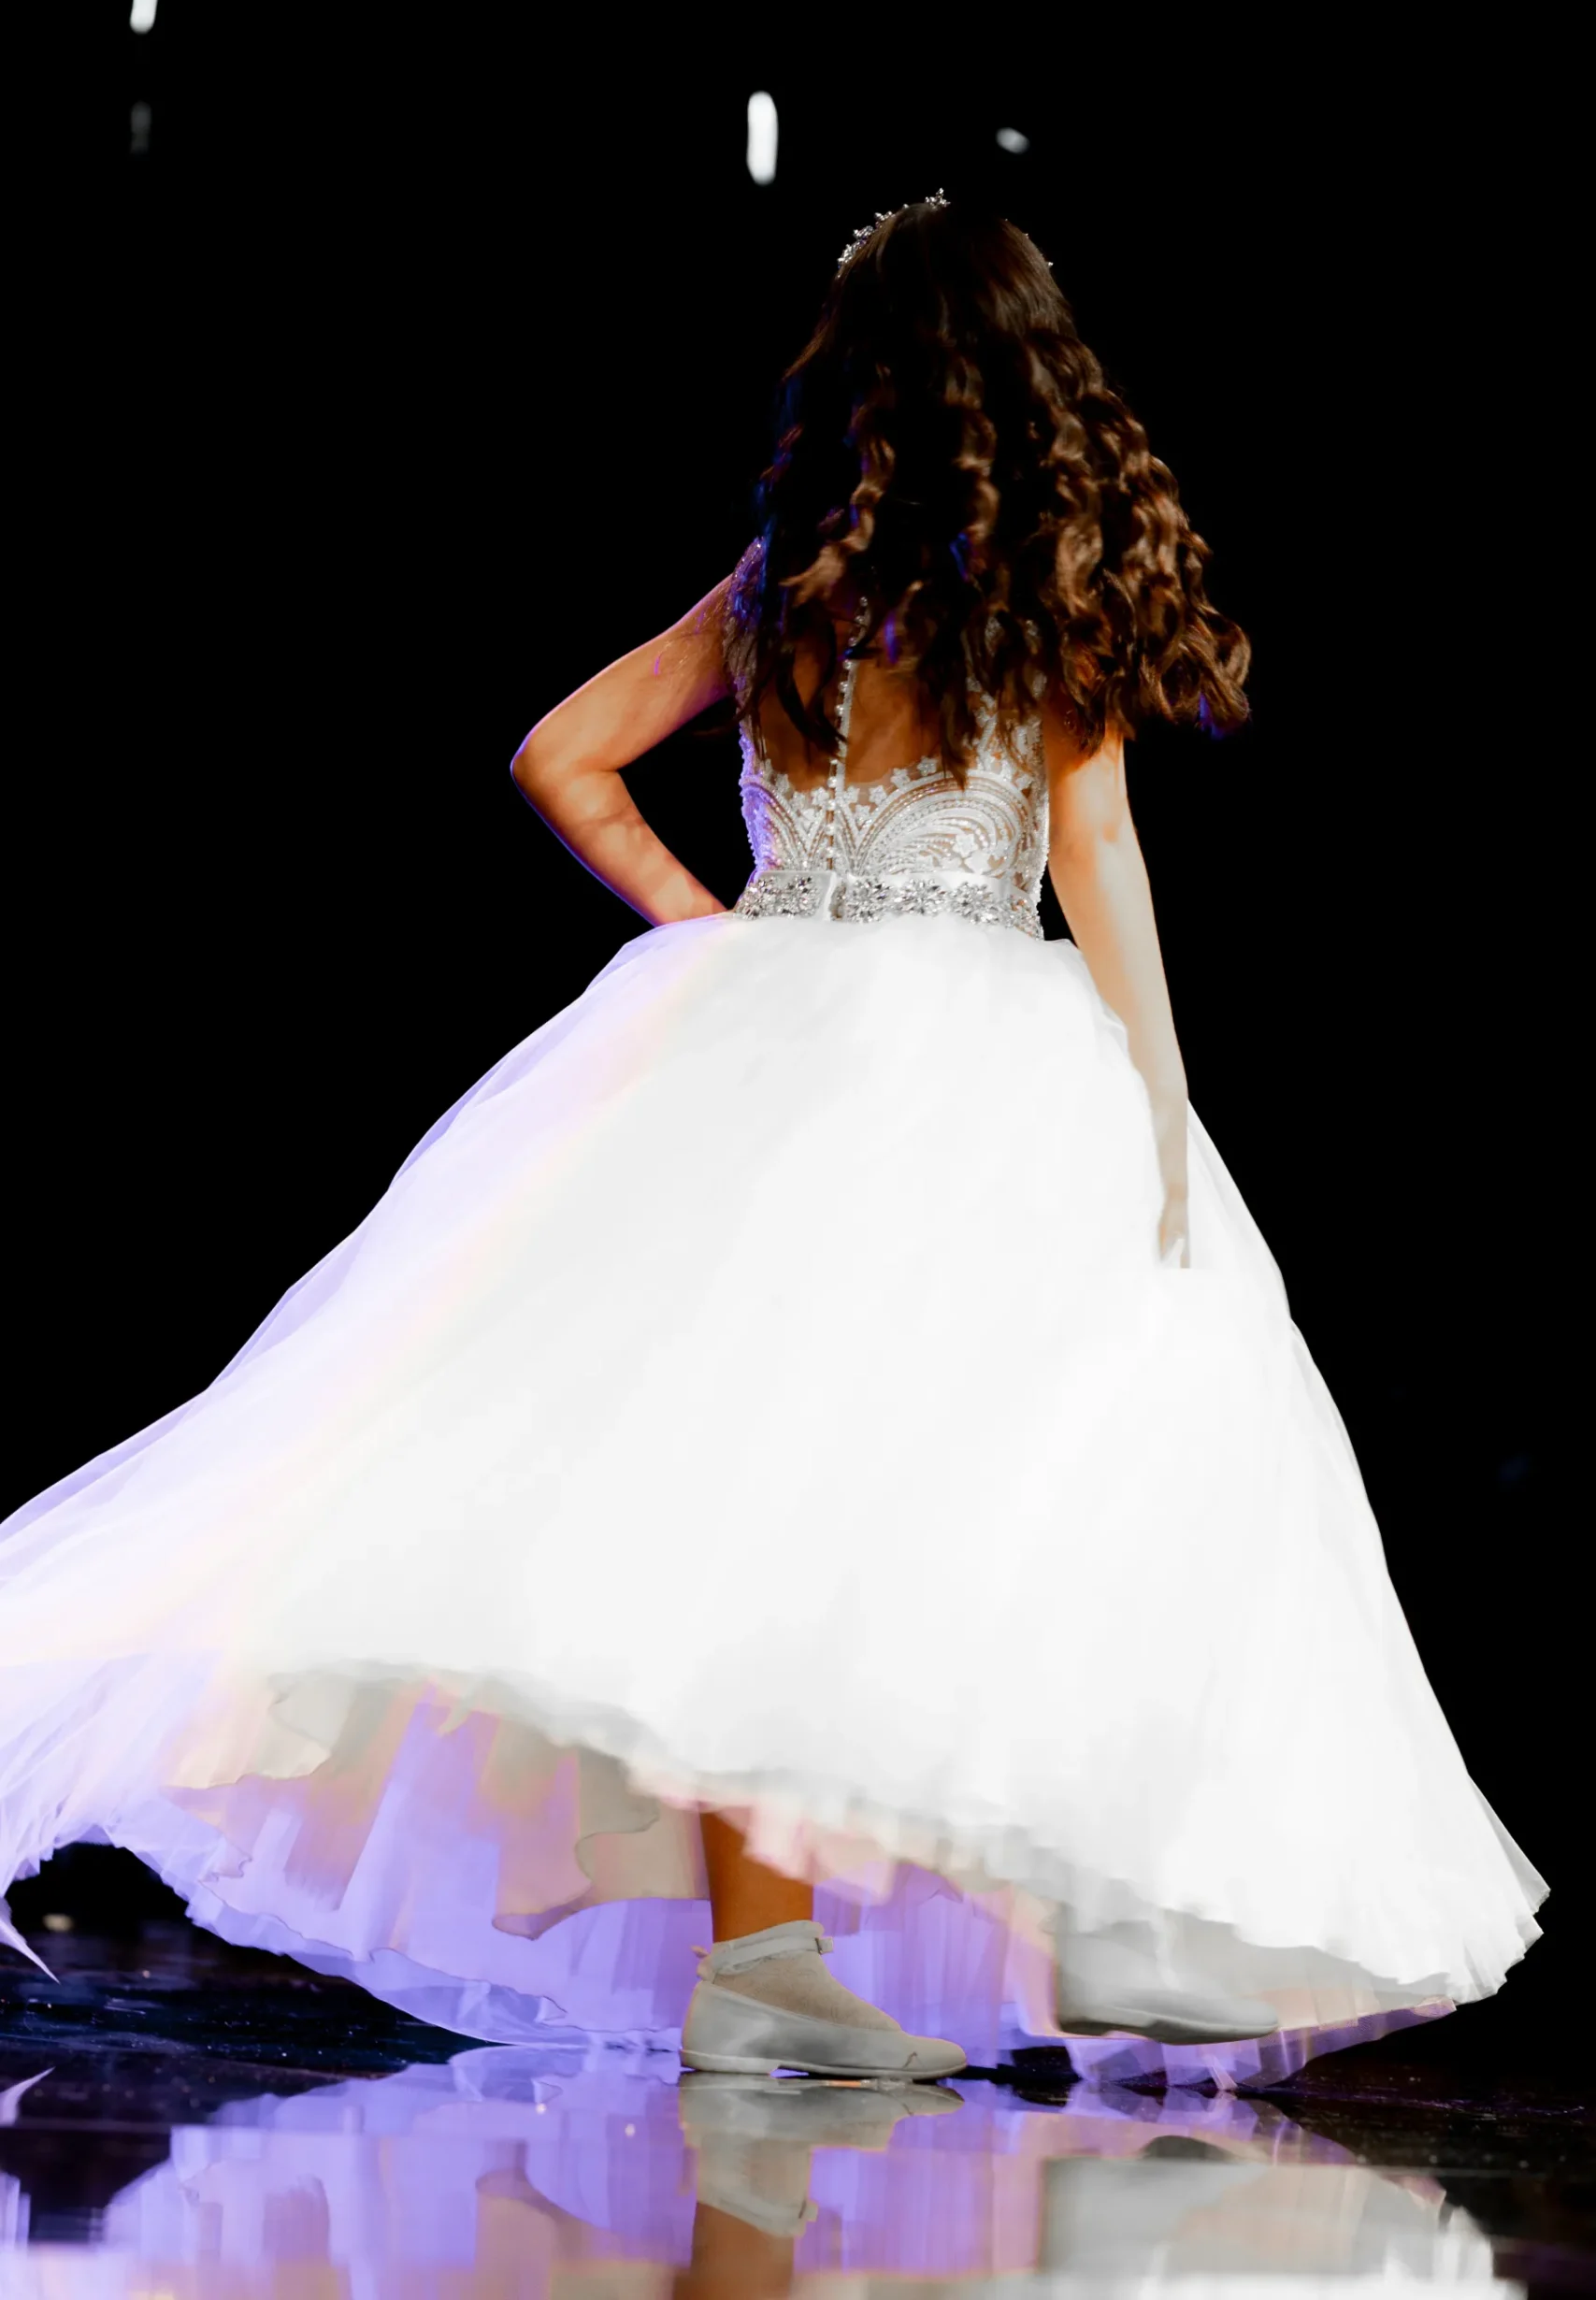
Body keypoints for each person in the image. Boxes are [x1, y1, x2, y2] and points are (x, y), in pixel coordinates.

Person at [0, 197, 1543, 2095]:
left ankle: (774, 1960)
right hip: (974, 1057)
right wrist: (1156, 1092)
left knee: (752, 1498)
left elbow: (560, 752)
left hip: (763, 1051)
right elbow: (1094, 850)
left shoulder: (784, 585)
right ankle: (1100, 1922)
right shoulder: (1030, 583)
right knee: (1012, 1470)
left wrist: (709, 934)